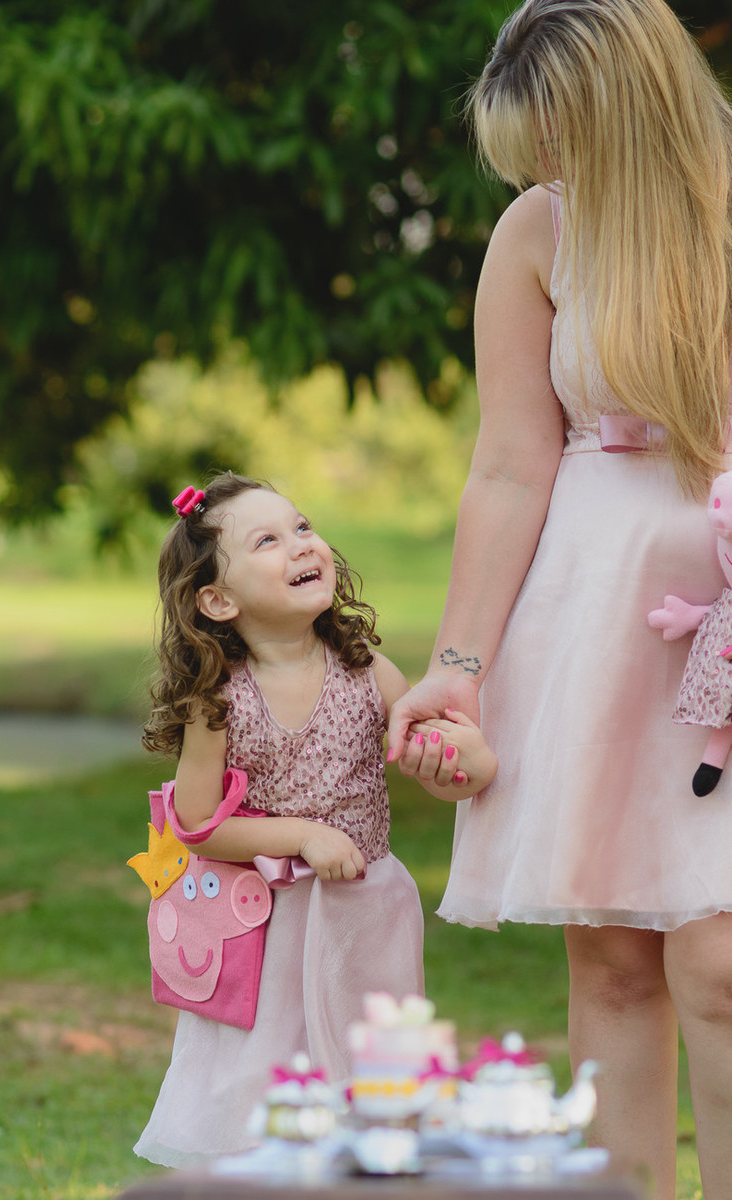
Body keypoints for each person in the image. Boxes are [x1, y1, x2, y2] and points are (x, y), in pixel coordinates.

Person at [386, 2, 732, 1196]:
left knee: (722, 959)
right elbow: (508, 462)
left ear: (626, 111)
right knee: (616, 958)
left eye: (558, 137)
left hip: (723, 610)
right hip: (594, 615)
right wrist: (459, 668)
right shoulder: (538, 233)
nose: (541, 168)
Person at [133, 471, 497, 1167]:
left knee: (371, 1066)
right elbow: (194, 823)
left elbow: (436, 770)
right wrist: (300, 835)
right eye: (267, 540)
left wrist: (466, 764)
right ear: (216, 599)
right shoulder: (217, 701)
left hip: (367, 915)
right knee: (268, 1074)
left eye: (301, 527)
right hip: (268, 926)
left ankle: (371, 1170)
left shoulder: (367, 672)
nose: (301, 545)